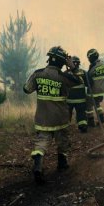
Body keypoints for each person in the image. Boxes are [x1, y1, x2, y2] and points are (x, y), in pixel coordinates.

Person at [23, 46, 81, 184]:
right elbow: (79, 82)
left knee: (41, 143)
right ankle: (62, 163)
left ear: (49, 59)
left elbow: (26, 89)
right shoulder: (63, 77)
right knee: (62, 140)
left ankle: (38, 166)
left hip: (43, 117)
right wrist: (72, 67)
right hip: (60, 118)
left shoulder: (38, 73)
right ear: (62, 63)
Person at [86, 48, 104, 126]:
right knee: (97, 105)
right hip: (101, 89)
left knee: (89, 106)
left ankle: (91, 122)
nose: (88, 60)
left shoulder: (94, 66)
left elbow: (89, 75)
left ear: (92, 57)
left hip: (93, 89)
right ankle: (102, 119)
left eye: (89, 58)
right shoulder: (103, 64)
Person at [67, 56, 88, 133]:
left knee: (67, 114)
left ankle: (65, 127)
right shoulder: (83, 72)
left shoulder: (66, 73)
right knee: (81, 113)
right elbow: (89, 84)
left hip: (69, 100)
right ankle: (83, 126)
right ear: (79, 64)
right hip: (81, 99)